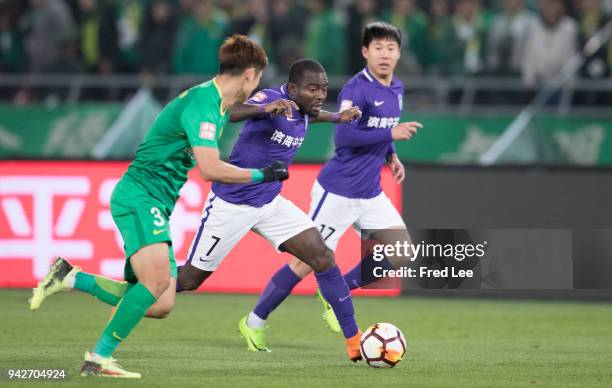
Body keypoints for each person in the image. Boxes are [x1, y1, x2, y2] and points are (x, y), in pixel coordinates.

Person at [29, 34, 285, 378]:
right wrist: (262, 174)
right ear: (250, 75)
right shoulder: (204, 106)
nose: (258, 87)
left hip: (156, 203)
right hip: (140, 196)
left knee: (160, 301)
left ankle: (70, 277)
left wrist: (262, 109)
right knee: (154, 283)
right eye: (259, 80)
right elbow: (209, 168)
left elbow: (222, 127)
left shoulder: (215, 104)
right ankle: (98, 358)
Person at [240, 22, 421, 348]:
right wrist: (390, 136)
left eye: (391, 49)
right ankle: (254, 321)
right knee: (304, 263)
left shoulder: (397, 89)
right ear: (365, 52)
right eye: (378, 48)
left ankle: (338, 288)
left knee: (402, 251)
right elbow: (344, 134)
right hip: (338, 191)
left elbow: (383, 128)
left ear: (398, 53)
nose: (385, 55)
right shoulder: (356, 88)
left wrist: (391, 154)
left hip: (370, 191)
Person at [174, 58, 365, 362]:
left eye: (323, 89)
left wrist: (337, 117)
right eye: (312, 88)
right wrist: (263, 109)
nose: (319, 94)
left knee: (323, 256)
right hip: (232, 203)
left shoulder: (302, 109)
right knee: (187, 281)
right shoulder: (271, 99)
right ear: (292, 88)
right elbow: (228, 112)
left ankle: (356, 345)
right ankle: (139, 285)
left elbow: (308, 116)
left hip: (270, 203)